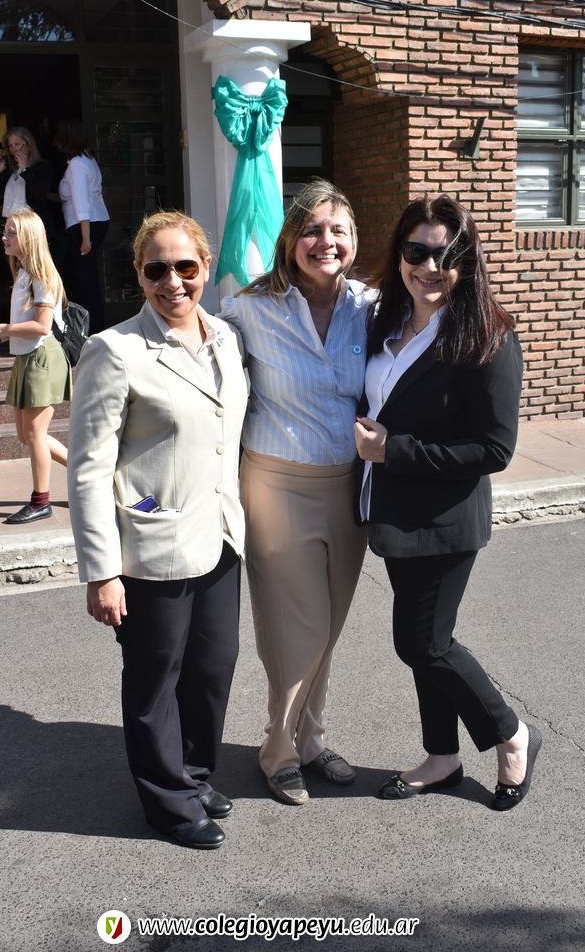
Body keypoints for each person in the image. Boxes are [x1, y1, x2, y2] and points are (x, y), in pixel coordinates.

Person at [67, 211, 248, 850]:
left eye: (185, 267)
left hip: (220, 534)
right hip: (150, 544)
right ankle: (168, 803)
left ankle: (193, 775)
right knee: (155, 679)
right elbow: (90, 468)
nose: (173, 282)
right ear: (139, 276)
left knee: (212, 668)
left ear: (205, 267)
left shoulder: (226, 338)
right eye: (156, 270)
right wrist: (102, 570)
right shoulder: (114, 350)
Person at [354, 194, 541, 812]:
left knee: (424, 644)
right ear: (399, 254)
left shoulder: (488, 335)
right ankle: (442, 756)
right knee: (428, 642)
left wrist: (394, 450)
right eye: (418, 251)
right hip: (393, 513)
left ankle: (510, 734)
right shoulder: (385, 322)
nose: (431, 267)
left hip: (445, 519)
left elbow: (494, 448)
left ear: (468, 261)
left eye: (448, 255)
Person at [220, 178, 372, 806]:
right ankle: (278, 750)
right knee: (295, 627)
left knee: (328, 625)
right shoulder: (249, 309)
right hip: (277, 484)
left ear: (354, 239)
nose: (324, 241)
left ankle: (310, 739)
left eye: (338, 230)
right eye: (311, 229)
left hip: (349, 487)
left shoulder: (372, 306)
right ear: (289, 241)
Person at [0, 208, 71, 525]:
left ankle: (40, 501)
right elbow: (24, 324)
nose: (4, 237)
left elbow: (42, 326)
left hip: (42, 357)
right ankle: (91, 474)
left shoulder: (42, 275)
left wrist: (0, 329)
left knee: (36, 434)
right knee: (27, 435)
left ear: (29, 237)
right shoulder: (25, 272)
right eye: (6, 231)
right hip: (27, 357)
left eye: (11, 232)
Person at [53, 118, 109, 334]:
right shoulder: (88, 159)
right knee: (88, 279)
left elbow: (81, 202)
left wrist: (86, 238)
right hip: (95, 221)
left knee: (85, 281)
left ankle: (91, 330)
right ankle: (94, 328)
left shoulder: (76, 164)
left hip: (84, 226)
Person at [0, 127, 57, 247]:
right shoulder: (10, 171)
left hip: (34, 229)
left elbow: (40, 195)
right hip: (12, 230)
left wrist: (25, 168)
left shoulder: (42, 166)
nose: (14, 149)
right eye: (10, 146)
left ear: (29, 145)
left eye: (17, 144)